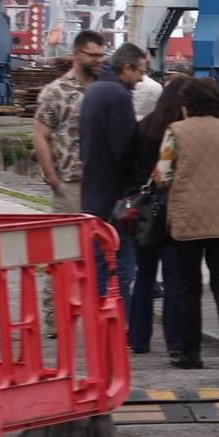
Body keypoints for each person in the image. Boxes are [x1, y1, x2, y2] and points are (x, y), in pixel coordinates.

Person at [157, 76, 219, 368]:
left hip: (187, 219)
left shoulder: (175, 132)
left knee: (189, 286)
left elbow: (162, 175)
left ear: (187, 105)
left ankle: (191, 352)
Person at [80, 43, 148, 300]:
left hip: (91, 195)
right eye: (140, 71)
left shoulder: (94, 90)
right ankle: (119, 328)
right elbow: (126, 151)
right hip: (115, 201)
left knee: (97, 265)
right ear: (127, 68)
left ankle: (98, 327)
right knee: (123, 266)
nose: (141, 79)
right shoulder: (118, 96)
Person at [129, 75, 189, 361]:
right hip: (173, 209)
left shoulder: (143, 126)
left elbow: (131, 169)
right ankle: (175, 342)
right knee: (174, 277)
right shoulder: (179, 132)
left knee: (144, 276)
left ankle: (138, 339)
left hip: (144, 209)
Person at [33, 29, 107, 214]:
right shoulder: (56, 92)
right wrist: (53, 180)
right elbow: (40, 135)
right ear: (77, 54)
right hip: (72, 185)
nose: (99, 60)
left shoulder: (107, 89)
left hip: (103, 183)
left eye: (101, 55)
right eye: (93, 55)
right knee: (69, 242)